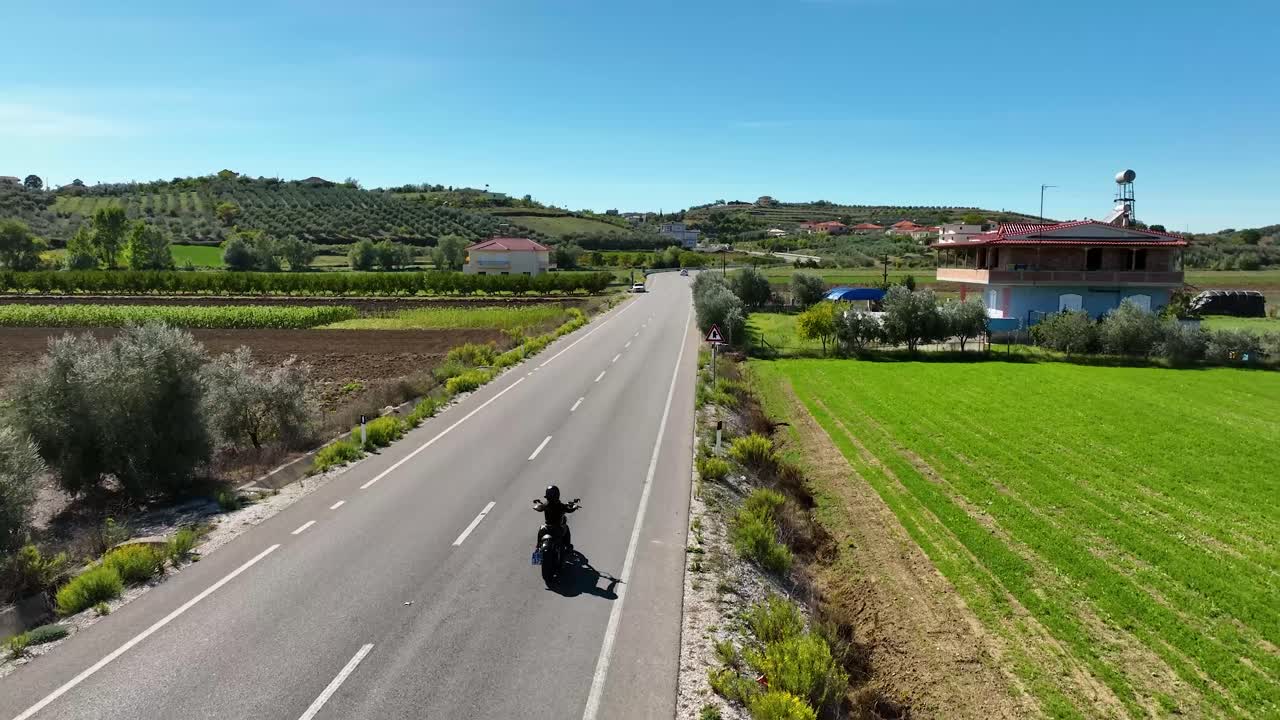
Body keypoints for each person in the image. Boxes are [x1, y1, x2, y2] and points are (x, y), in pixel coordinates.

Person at [533, 485, 578, 551]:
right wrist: (574, 507)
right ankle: (568, 546)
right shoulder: (561, 506)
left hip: (547, 528)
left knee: (541, 528)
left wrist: (536, 506)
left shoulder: (546, 505)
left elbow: (539, 508)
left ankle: (538, 546)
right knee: (566, 527)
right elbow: (569, 510)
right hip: (557, 529)